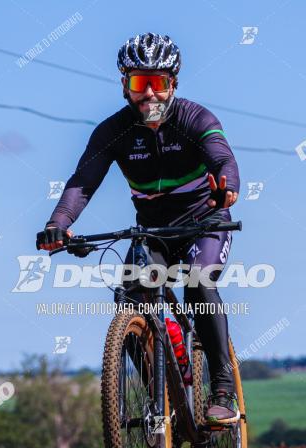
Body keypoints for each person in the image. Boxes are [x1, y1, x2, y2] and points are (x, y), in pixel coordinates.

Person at [35, 33, 242, 424]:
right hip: (152, 231)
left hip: (205, 222)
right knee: (131, 299)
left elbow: (222, 157)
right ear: (125, 87)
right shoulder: (113, 131)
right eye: (138, 84)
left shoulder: (196, 118)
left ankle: (222, 388)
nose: (149, 95)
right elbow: (82, 182)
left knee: (199, 282)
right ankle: (158, 399)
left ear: (173, 85)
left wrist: (226, 185)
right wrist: (57, 224)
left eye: (158, 83)